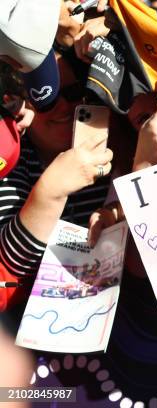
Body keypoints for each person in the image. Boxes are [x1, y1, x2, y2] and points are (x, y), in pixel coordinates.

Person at [0, 52, 114, 287]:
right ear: (22, 107)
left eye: (72, 93)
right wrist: (51, 191)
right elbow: (11, 265)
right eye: (45, 98)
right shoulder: (11, 158)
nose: (63, 106)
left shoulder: (114, 147)